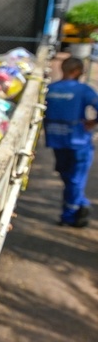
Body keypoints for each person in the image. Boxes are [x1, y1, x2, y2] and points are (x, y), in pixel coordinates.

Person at [43, 56, 98, 227]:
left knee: (67, 176)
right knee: (75, 179)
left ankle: (78, 205)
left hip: (57, 140)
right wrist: (92, 122)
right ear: (77, 71)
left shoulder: (49, 89)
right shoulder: (83, 90)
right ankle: (72, 212)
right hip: (78, 142)